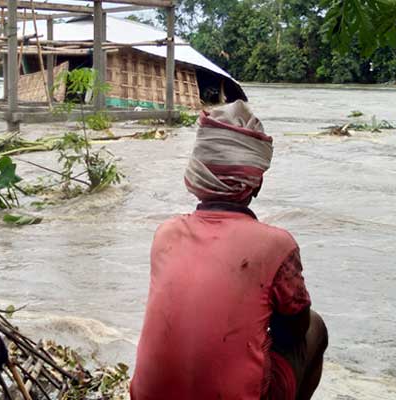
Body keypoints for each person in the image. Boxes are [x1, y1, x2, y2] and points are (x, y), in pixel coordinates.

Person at [130, 100, 328, 400]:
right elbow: (296, 328)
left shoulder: (165, 234)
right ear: (256, 183)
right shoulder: (276, 245)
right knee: (316, 327)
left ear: (196, 174)